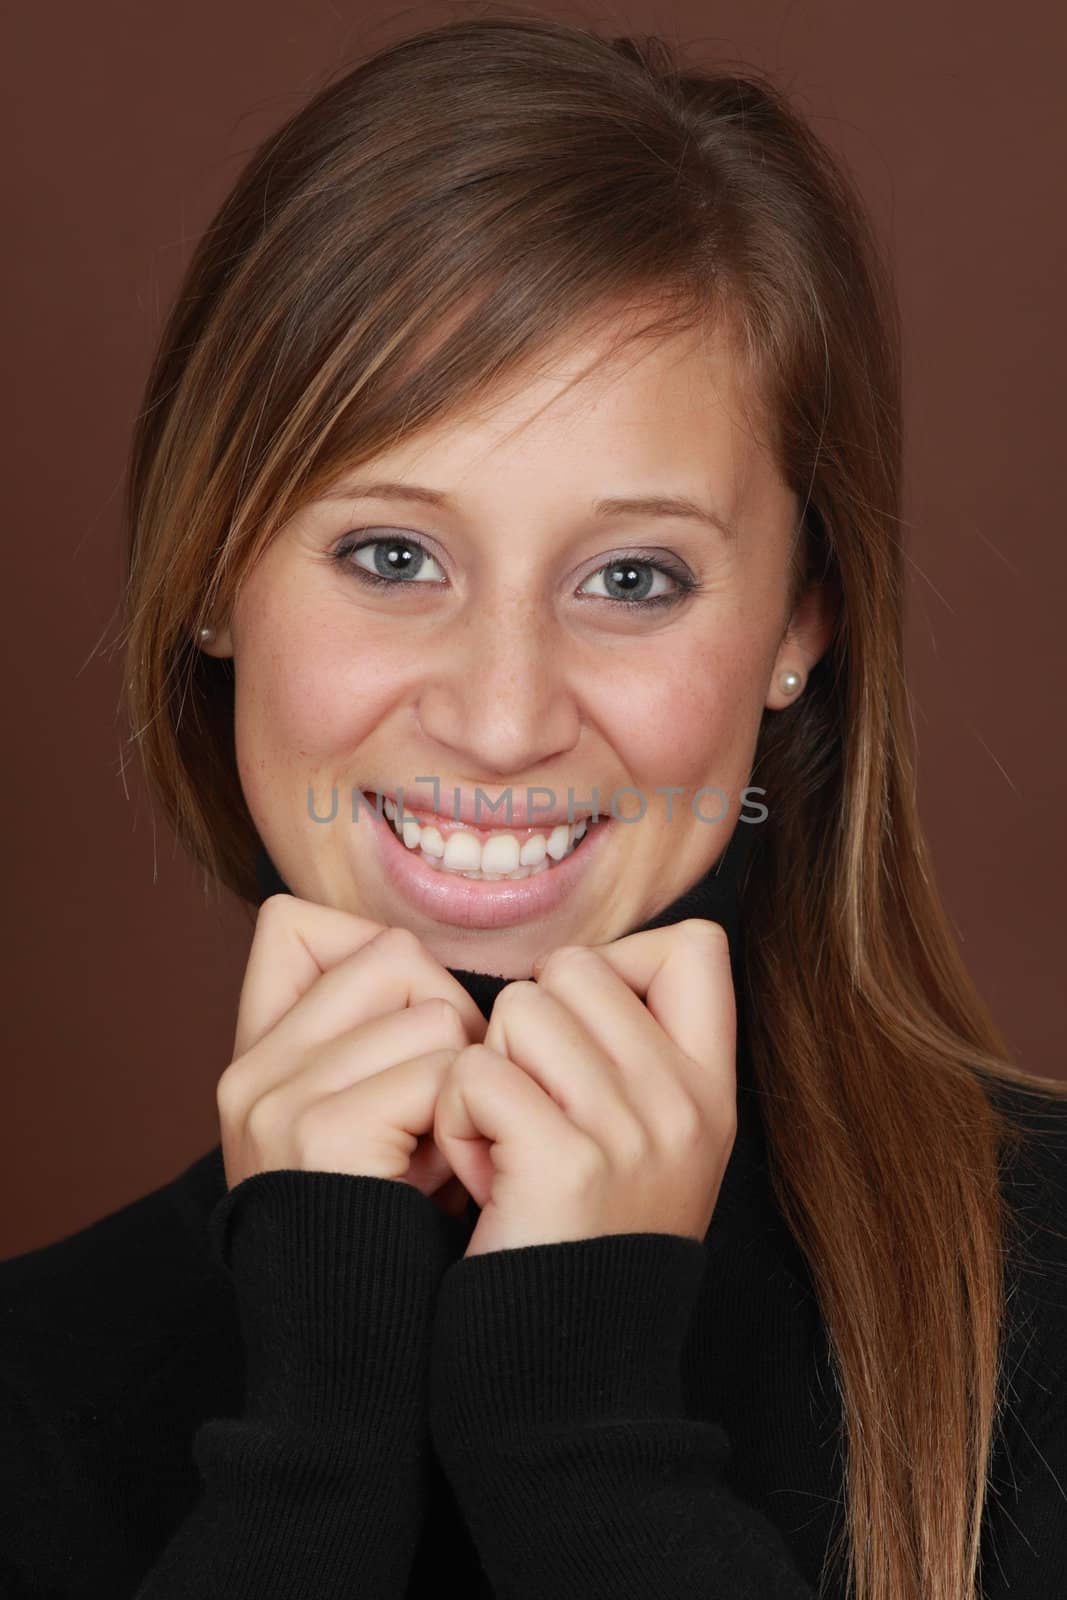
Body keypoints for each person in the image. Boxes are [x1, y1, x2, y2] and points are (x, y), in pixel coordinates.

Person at [2, 13, 1065, 1599]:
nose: (502, 721)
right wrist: (315, 1443)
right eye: (393, 557)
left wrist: (582, 1432)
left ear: (797, 628)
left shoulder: (1044, 1298)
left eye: (632, 578)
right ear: (212, 574)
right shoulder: (33, 1380)